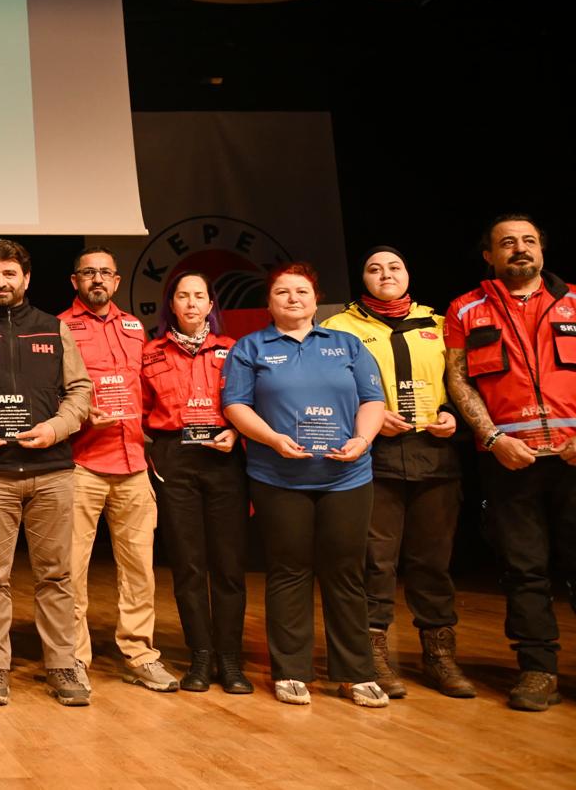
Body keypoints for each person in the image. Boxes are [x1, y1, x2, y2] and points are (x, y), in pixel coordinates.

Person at [222, 262, 389, 707]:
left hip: (347, 476)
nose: (293, 298)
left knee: (345, 572)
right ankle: (291, 669)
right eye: (282, 292)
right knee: (288, 570)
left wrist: (362, 439)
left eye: (301, 291)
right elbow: (235, 405)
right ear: (269, 302)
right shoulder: (250, 348)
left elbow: (373, 399)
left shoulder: (348, 344)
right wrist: (273, 439)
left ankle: (356, 672)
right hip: (278, 477)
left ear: (316, 300)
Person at [0, 239, 93, 706]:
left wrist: (56, 428)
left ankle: (62, 665)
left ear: (26, 278)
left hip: (52, 472)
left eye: (9, 274)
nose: (0, 283)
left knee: (56, 576)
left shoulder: (54, 328)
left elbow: (81, 391)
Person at [323, 245, 474, 700]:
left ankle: (440, 657)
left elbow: (462, 383)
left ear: (408, 274)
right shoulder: (339, 328)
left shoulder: (440, 323)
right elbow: (327, 393)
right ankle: (374, 657)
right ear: (362, 278)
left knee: (432, 563)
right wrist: (367, 419)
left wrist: (453, 416)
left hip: (435, 458)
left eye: (394, 267)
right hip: (374, 460)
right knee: (375, 562)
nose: (385, 274)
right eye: (374, 268)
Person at [444, 214, 576, 712]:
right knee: (524, 569)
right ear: (489, 255)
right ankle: (538, 670)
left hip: (574, 456)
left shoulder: (575, 301)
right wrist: (493, 437)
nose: (519, 249)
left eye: (528, 241)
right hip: (508, 459)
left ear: (541, 250)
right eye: (507, 243)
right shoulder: (466, 309)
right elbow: (458, 381)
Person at [57, 248, 175, 691]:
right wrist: (83, 415)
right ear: (75, 281)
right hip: (81, 463)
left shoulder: (134, 327)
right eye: (88, 272)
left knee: (140, 567)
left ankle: (140, 653)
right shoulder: (60, 327)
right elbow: (52, 393)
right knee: (71, 568)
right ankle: (73, 658)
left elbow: (147, 389)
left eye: (105, 272)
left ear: (118, 279)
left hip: (132, 464)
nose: (97, 279)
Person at [142, 271, 251, 694]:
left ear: (211, 306)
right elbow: (139, 410)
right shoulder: (150, 353)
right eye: (182, 296)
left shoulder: (234, 350)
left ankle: (231, 660)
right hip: (175, 459)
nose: (190, 303)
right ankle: (201, 657)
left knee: (228, 566)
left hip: (225, 458)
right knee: (188, 567)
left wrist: (238, 432)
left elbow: (251, 401)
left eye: (199, 296)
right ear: (172, 305)